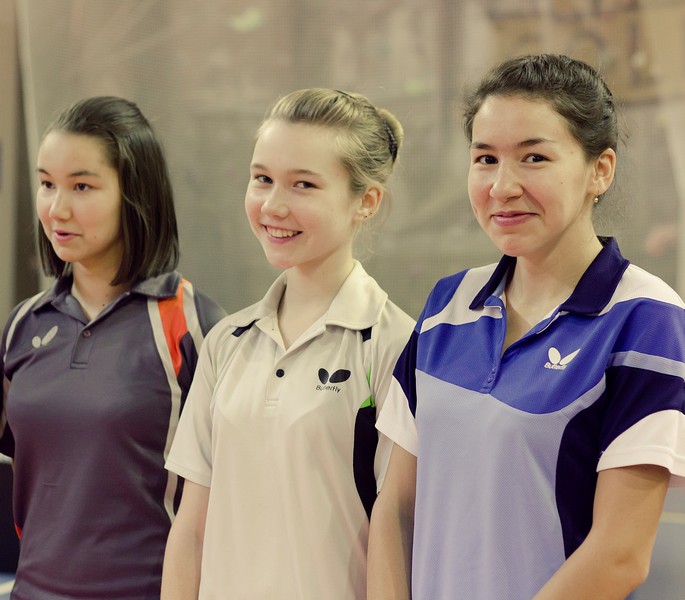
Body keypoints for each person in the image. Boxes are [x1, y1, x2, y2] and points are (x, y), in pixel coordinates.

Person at [367, 54, 685, 600]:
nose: (502, 186)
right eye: (485, 158)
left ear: (600, 170)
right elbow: (397, 508)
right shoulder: (448, 305)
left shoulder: (647, 320)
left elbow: (620, 555)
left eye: (534, 157)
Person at [161, 88, 415, 599]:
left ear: (366, 201)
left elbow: (399, 528)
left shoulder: (394, 344)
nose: (273, 205)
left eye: (303, 184)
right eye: (262, 179)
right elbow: (191, 531)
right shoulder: (226, 342)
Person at [0, 96, 225, 599]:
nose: (57, 209)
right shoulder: (21, 326)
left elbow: (229, 504)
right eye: (46, 184)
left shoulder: (195, 326)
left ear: (135, 193)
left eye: (82, 186)